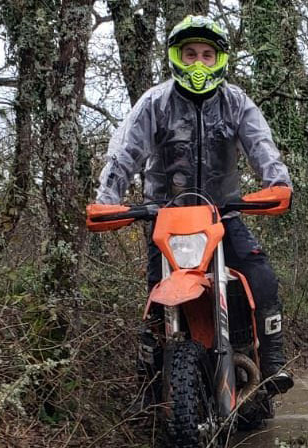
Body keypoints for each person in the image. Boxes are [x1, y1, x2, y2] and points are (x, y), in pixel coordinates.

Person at [95, 14, 294, 400]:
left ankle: (272, 362)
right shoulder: (155, 102)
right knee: (156, 297)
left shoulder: (236, 101)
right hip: (167, 218)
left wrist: (278, 183)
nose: (198, 63)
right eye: (190, 54)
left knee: (262, 277)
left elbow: (261, 144)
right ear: (176, 58)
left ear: (218, 59)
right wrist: (108, 200)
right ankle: (153, 384)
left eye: (206, 54)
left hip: (224, 215)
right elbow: (125, 153)